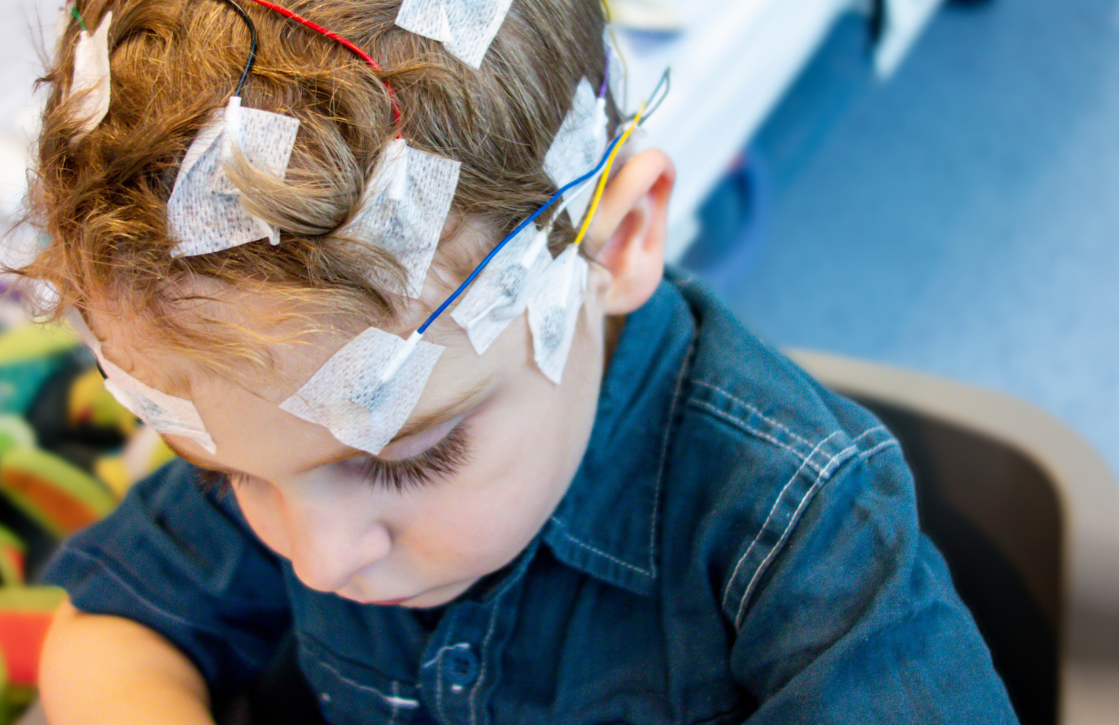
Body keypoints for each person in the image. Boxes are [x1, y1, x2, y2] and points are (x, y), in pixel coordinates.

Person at [14, 0, 1020, 723]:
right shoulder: (286, 438)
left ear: (616, 243)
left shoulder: (799, 528)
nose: (317, 557)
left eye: (405, 458)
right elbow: (115, 630)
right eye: (222, 472)